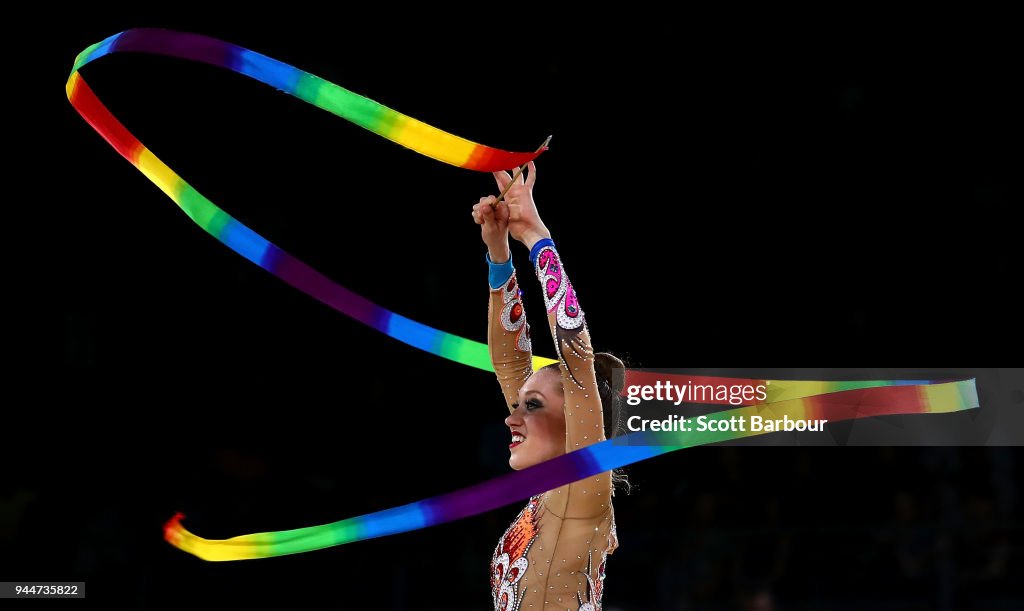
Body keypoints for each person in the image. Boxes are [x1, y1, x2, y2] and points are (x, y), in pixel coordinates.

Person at [472, 161, 625, 610]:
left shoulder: (583, 492)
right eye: (521, 404)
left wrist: (536, 234)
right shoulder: (549, 492)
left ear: (579, 415)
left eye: (532, 405)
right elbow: (508, 362)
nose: (511, 416)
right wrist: (499, 255)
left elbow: (576, 359)